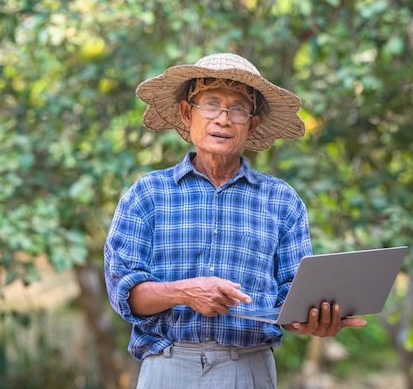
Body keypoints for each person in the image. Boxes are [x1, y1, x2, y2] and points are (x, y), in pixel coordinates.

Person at [104, 53, 367, 389]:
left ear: (252, 125)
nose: (223, 120)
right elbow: (124, 293)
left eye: (238, 109)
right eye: (210, 104)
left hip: (249, 369)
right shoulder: (148, 193)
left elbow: (292, 298)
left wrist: (312, 319)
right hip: (167, 368)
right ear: (188, 113)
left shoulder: (282, 201)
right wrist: (185, 292)